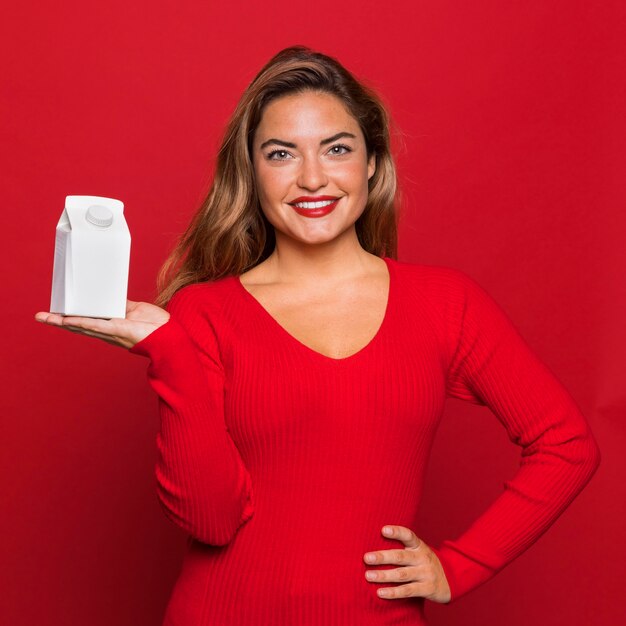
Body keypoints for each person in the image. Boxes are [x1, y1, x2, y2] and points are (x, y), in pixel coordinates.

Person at [34, 45, 601, 625]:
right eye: (281, 153)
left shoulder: (445, 304)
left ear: (373, 162)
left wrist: (460, 566)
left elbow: (567, 446)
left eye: (336, 148)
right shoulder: (203, 313)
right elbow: (211, 521)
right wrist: (169, 352)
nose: (311, 177)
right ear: (251, 172)